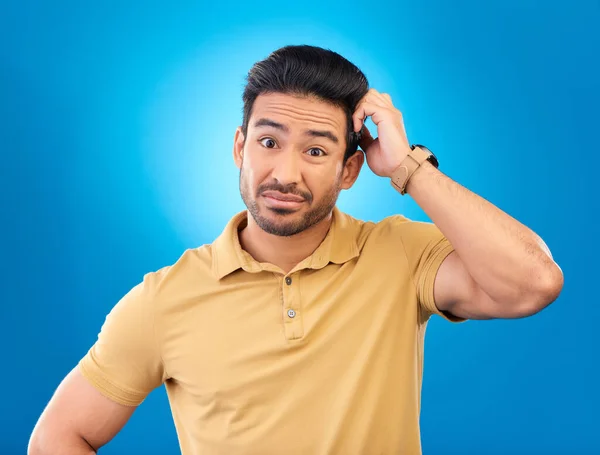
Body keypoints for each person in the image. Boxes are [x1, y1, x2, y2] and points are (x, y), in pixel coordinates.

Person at [28, 45, 564, 455]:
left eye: (315, 149)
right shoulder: (163, 299)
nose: (285, 173)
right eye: (268, 142)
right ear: (240, 148)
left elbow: (534, 283)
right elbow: (59, 435)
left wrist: (408, 167)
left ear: (350, 169)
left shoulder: (400, 255)